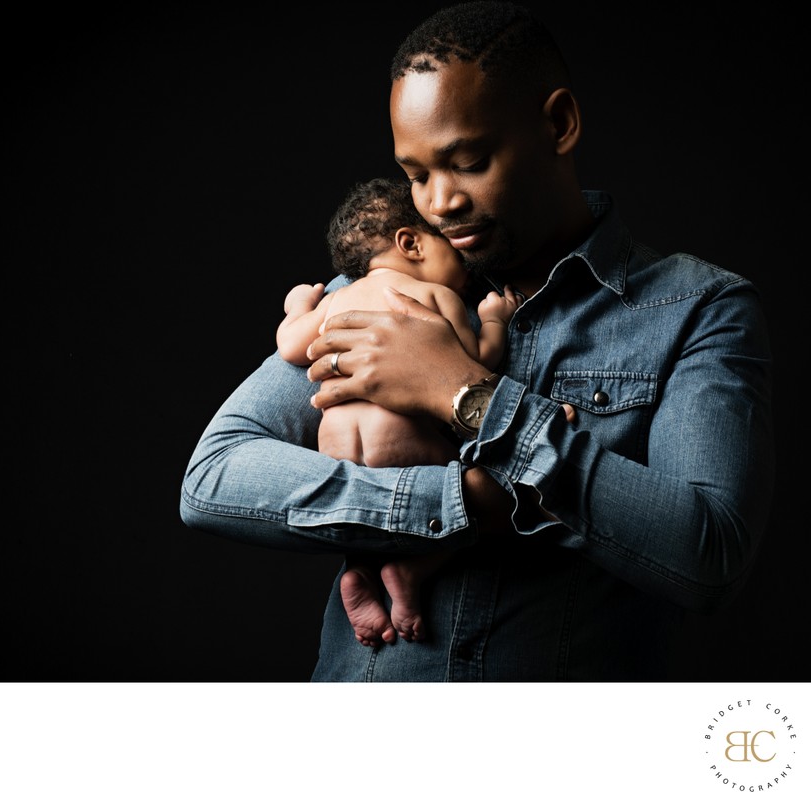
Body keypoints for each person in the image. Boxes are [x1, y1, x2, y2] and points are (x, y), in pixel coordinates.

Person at [180, 1, 774, 681]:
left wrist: (464, 394)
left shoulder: (698, 310)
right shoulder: (379, 289)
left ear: (558, 124)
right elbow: (213, 479)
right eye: (416, 174)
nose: (439, 203)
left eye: (468, 161)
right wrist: (465, 504)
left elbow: (708, 556)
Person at [276, 176, 522, 646]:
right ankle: (409, 574)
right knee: (474, 509)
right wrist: (494, 318)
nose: (465, 262)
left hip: (340, 458)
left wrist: (298, 305)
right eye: (447, 243)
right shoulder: (434, 297)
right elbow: (476, 362)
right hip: (409, 448)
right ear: (410, 243)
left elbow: (290, 345)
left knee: (372, 521)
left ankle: (359, 574)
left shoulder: (336, 300)